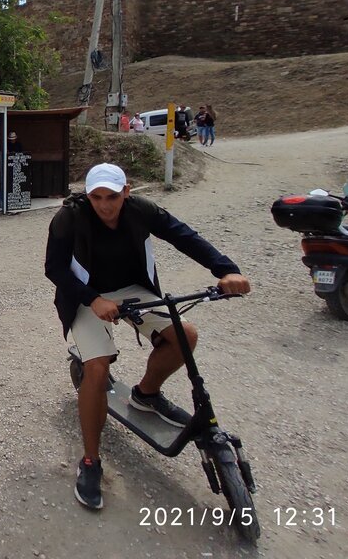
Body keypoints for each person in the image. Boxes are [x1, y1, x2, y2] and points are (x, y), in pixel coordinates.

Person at [44, 162, 250, 510]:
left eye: (112, 196)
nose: (105, 205)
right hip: (86, 296)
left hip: (133, 290)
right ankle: (91, 461)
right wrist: (93, 299)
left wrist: (227, 270)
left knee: (185, 336)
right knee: (97, 367)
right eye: (97, 197)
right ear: (88, 196)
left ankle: (146, 394)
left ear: (126, 192)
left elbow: (184, 236)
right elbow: (55, 268)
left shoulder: (141, 210)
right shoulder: (69, 217)